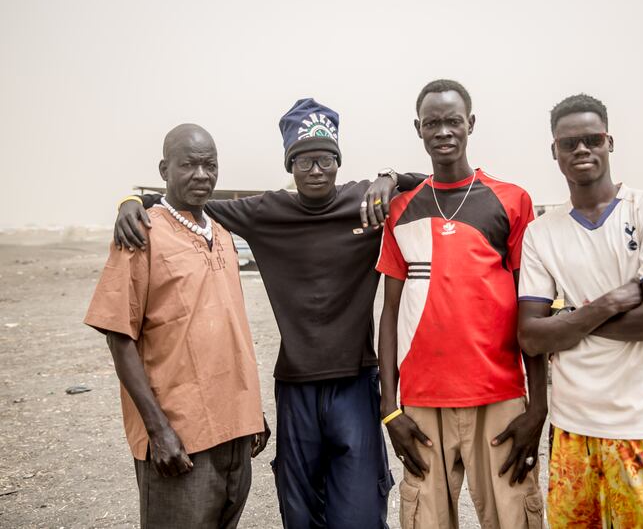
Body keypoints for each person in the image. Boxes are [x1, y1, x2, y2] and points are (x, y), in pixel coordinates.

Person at [112, 99, 426, 528]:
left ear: (338, 161)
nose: (315, 169)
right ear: (289, 166)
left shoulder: (364, 201)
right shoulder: (265, 212)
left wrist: (390, 177)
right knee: (299, 514)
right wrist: (130, 199)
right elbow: (183, 201)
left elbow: (437, 184)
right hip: (295, 386)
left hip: (355, 382)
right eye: (303, 160)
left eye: (325, 159)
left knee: (361, 514)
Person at [517, 94, 643, 527]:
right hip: (571, 430)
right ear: (555, 151)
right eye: (569, 143)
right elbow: (530, 336)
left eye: (591, 139)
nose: (581, 149)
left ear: (609, 142)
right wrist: (611, 302)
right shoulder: (542, 232)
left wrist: (567, 320)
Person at [376, 79, 546, 528]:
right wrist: (389, 408)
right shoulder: (401, 210)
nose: (443, 131)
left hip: (500, 396)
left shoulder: (511, 201)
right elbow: (389, 313)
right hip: (421, 400)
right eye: (432, 123)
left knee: (514, 518)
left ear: (470, 123)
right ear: (418, 128)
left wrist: (538, 406)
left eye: (453, 121)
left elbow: (533, 308)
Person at [85, 124, 269, 528]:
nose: (202, 175)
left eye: (210, 165)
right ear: (164, 168)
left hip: (235, 431)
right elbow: (119, 336)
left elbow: (229, 329)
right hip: (179, 438)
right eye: (189, 165)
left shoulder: (221, 234)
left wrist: (252, 411)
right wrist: (159, 431)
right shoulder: (140, 232)